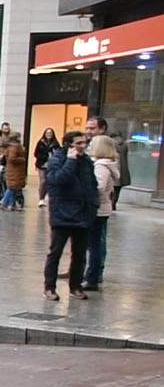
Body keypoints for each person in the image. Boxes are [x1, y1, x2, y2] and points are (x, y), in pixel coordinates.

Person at [43, 130, 97, 302]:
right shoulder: (58, 160)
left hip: (83, 214)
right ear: (69, 145)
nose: (82, 146)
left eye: (84, 143)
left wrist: (93, 205)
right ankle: (49, 287)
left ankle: (75, 286)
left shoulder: (87, 162)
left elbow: (92, 185)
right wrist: (71, 161)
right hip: (63, 214)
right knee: (55, 253)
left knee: (80, 254)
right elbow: (57, 180)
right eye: (78, 143)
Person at [83, 133, 121, 291]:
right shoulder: (107, 164)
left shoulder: (100, 166)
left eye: (92, 143)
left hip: (97, 209)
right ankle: (93, 274)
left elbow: (98, 187)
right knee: (96, 243)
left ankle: (92, 276)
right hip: (102, 208)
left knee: (93, 244)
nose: (89, 146)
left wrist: (84, 191)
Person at [86, 115, 129, 205]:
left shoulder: (110, 144)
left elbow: (114, 169)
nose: (88, 131)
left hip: (99, 198)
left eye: (92, 128)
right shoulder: (90, 142)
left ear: (102, 129)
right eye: (87, 128)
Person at [0, 133, 27, 210]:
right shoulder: (15, 146)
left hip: (14, 170)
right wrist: (22, 159)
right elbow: (12, 158)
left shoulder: (10, 146)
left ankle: (12, 205)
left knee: (14, 188)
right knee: (12, 188)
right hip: (15, 170)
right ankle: (4, 203)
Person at [33, 127, 59, 206]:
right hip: (41, 164)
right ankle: (41, 199)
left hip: (51, 165)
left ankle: (44, 197)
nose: (49, 134)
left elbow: (58, 154)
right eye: (47, 133)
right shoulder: (40, 142)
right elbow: (35, 153)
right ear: (45, 134)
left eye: (50, 133)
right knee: (43, 181)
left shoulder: (56, 143)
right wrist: (44, 156)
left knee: (48, 181)